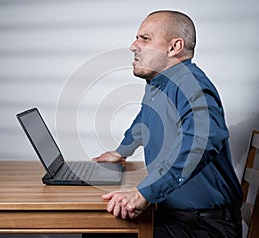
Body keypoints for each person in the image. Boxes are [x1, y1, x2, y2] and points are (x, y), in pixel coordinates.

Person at [93, 10, 243, 238]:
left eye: (145, 38)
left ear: (174, 47)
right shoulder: (160, 83)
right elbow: (144, 119)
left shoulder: (189, 83)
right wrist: (121, 151)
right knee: (99, 228)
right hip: (176, 214)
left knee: (99, 231)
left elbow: (202, 141)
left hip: (203, 225)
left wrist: (145, 193)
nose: (134, 45)